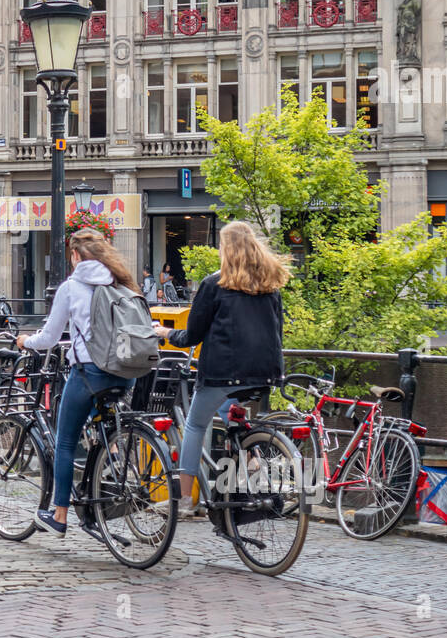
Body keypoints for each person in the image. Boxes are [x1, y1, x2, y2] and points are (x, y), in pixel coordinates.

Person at [152, 221, 289, 505]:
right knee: (232, 412)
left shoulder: (215, 284)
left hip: (223, 372)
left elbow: (192, 334)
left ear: (225, 249)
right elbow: (278, 330)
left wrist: (166, 333)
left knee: (195, 425)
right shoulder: (270, 284)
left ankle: (183, 500)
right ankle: (253, 461)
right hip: (265, 371)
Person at [15, 228, 138, 536]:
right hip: (125, 372)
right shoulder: (120, 281)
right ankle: (98, 490)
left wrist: (25, 341)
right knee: (102, 430)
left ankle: (59, 515)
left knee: (66, 441)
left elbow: (50, 338)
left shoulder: (72, 287)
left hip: (90, 373)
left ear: (76, 256)